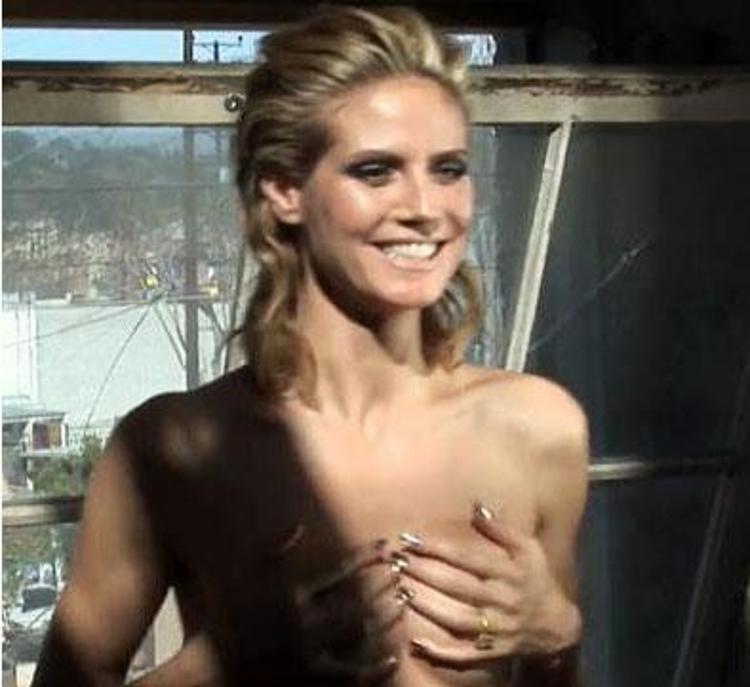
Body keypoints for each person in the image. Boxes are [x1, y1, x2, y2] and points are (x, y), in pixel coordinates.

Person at [31, 6, 588, 686]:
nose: (425, 207)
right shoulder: (173, 449)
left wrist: (559, 636)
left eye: (449, 169)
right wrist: (220, 663)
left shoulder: (539, 431)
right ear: (284, 189)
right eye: (376, 171)